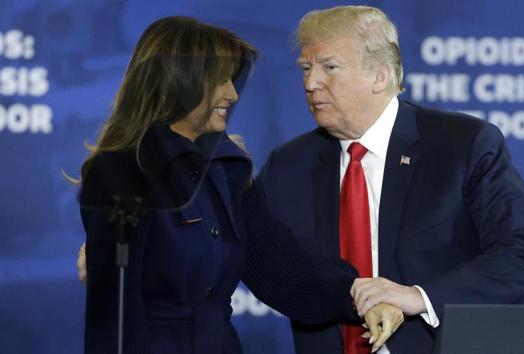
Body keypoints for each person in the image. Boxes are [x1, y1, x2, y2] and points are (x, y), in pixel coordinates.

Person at [78, 16, 403, 354]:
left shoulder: (227, 173)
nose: (232, 94)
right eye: (220, 80)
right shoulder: (122, 174)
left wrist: (361, 298)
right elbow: (113, 320)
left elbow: (281, 271)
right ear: (179, 80)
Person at [254, 5, 524, 354]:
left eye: (329, 67)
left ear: (380, 76)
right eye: (306, 68)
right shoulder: (289, 165)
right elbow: (269, 265)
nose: (310, 82)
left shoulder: (462, 144)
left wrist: (418, 297)